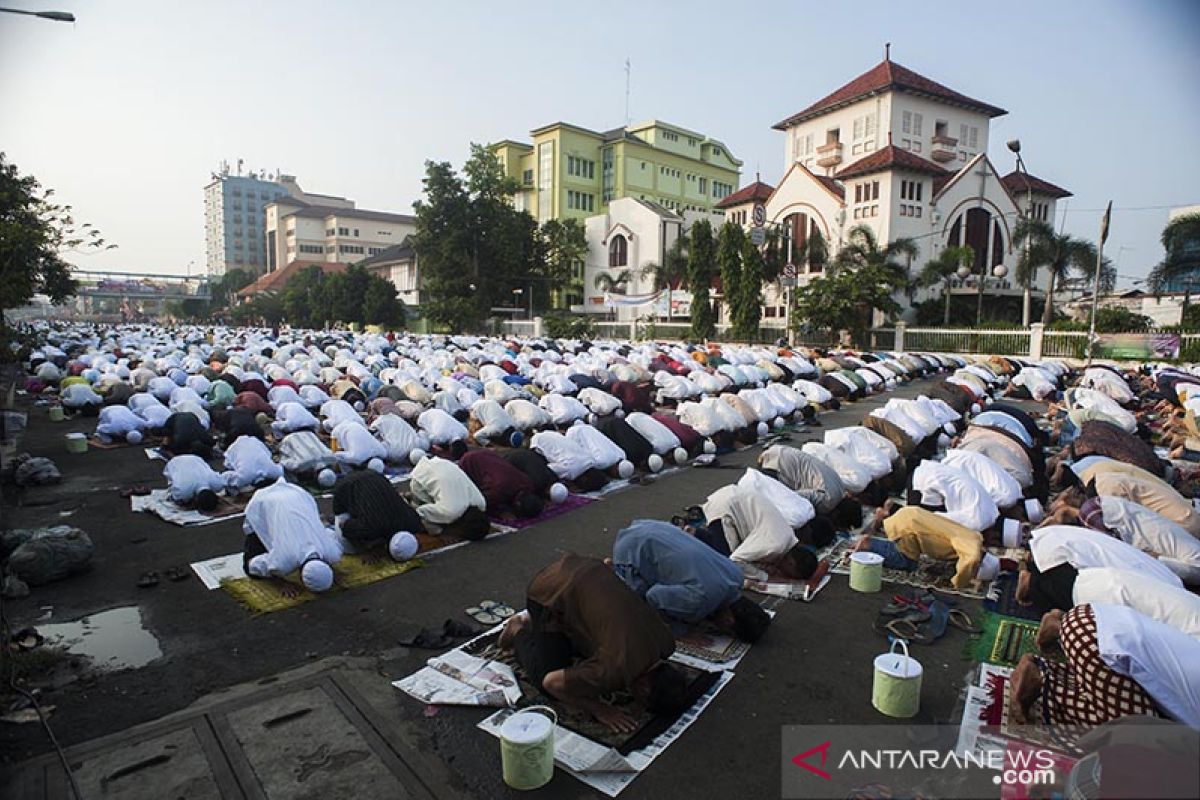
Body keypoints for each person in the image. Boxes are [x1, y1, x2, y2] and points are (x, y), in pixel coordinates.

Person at [499, 553, 686, 733]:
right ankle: (517, 630)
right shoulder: (616, 669)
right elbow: (552, 683)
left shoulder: (666, 644)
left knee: (593, 644)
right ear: (644, 690)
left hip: (588, 568)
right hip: (547, 593)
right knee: (545, 679)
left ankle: (551, 629)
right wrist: (600, 709)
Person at [1010, 604, 1200, 729]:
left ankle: (1048, 665)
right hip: (1092, 638)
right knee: (1141, 739)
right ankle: (1043, 684)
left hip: (1098, 618)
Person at [611, 519, 770, 641]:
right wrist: (680, 632)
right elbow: (653, 596)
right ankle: (616, 569)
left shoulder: (737, 576)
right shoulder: (699, 602)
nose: (720, 629)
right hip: (629, 547)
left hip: (653, 526)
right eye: (727, 631)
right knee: (639, 602)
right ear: (729, 620)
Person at [1018, 524, 1183, 615]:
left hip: (1058, 543)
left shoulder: (1173, 584)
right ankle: (1033, 584)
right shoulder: (1051, 539)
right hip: (1158, 582)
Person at [855, 505, 999, 590]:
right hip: (910, 527)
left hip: (912, 515)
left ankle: (883, 525)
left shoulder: (976, 538)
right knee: (907, 563)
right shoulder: (972, 551)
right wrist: (959, 582)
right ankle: (870, 544)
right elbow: (971, 561)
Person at [242, 477, 343, 596]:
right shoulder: (284, 563)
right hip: (263, 501)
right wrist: (280, 583)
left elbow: (331, 533)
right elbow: (252, 566)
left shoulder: (333, 553)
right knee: (250, 569)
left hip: (297, 492)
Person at [698, 485, 817, 582]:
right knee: (726, 566)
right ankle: (696, 534)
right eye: (791, 574)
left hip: (736, 497)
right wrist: (766, 577)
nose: (785, 574)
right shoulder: (774, 546)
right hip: (725, 506)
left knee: (740, 558)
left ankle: (698, 533)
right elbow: (735, 560)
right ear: (791, 563)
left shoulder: (789, 537)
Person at [332, 470, 425, 558]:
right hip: (345, 489)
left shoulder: (412, 522)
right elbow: (344, 526)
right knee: (349, 549)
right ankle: (329, 522)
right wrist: (363, 550)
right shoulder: (370, 528)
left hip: (375, 476)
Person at [408, 455, 490, 540]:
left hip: (444, 463)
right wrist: (439, 532)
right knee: (424, 517)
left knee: (441, 510)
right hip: (421, 476)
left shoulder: (481, 503)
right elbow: (420, 512)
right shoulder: (449, 513)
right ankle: (410, 500)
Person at [458, 448, 546, 519]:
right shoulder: (497, 490)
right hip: (469, 461)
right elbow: (482, 502)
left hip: (487, 454)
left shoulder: (528, 484)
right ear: (517, 504)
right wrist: (500, 513)